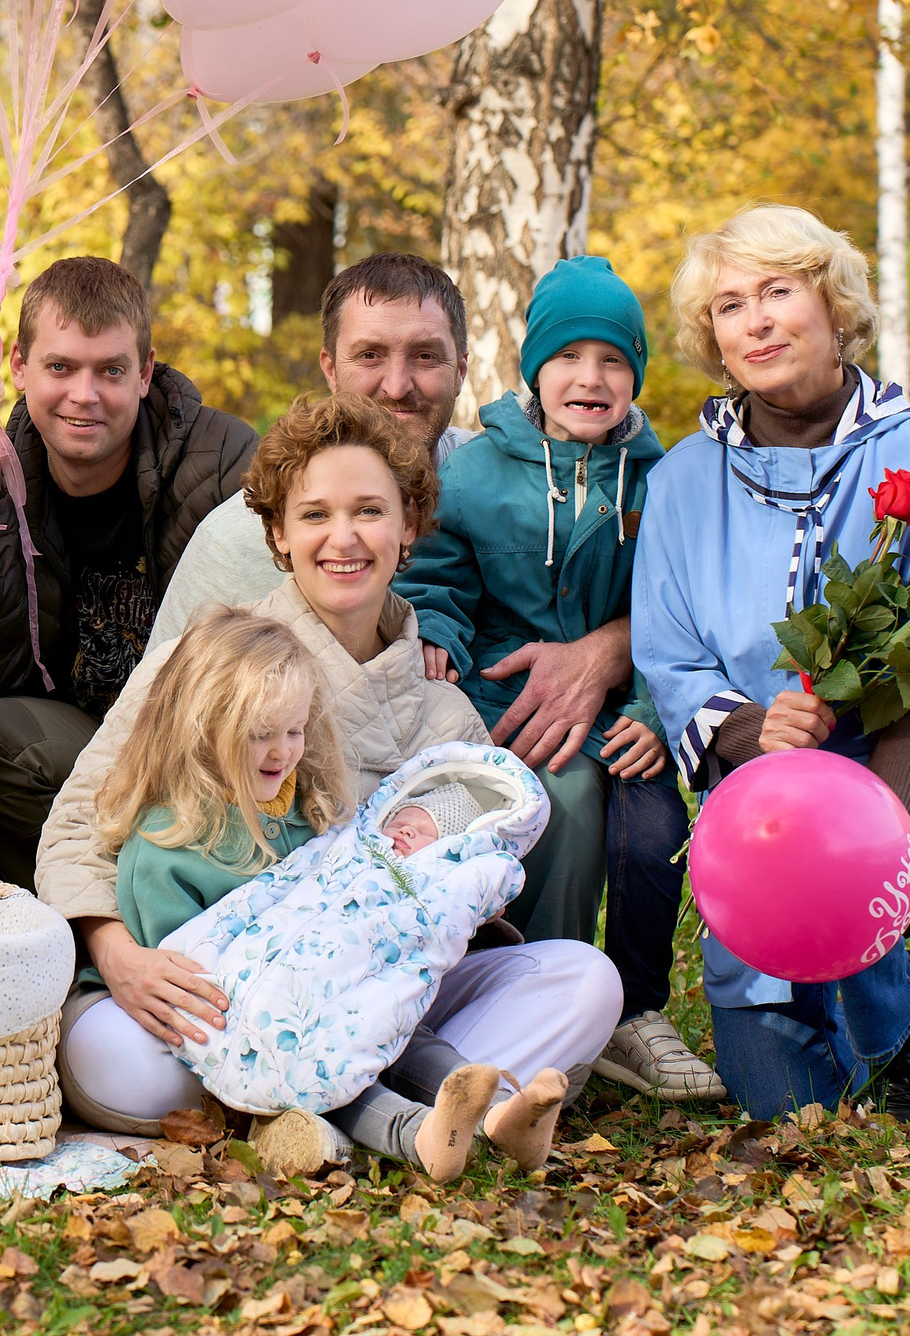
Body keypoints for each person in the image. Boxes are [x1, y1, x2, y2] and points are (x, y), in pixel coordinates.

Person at [36, 394, 618, 1137]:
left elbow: (460, 894)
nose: (343, 538)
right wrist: (118, 955)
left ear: (409, 525)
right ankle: (394, 1109)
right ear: (278, 533)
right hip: (203, 990)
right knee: (121, 1060)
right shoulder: (203, 659)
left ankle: (383, 1103)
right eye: (315, 514)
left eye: (370, 511)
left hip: (374, 994)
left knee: (584, 980)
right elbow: (78, 824)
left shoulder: (447, 717)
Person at [635, 204, 910, 1122]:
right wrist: (757, 732)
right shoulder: (681, 481)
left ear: (834, 306)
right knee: (782, 1102)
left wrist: (880, 823)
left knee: (875, 1049)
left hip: (900, 765)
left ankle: (901, 1009)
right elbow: (671, 658)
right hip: (755, 795)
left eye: (777, 292)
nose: (755, 321)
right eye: (730, 305)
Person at [89, 611, 576, 1179]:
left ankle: (500, 1115)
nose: (281, 752)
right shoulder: (165, 847)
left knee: (393, 1031)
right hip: (243, 1030)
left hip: (327, 996)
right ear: (203, 732)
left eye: (293, 731)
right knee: (330, 1068)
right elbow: (187, 973)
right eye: (260, 735)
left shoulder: (307, 810)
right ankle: (418, 1135)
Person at [394, 257, 720, 1101]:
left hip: (618, 704)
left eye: (613, 359)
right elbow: (439, 574)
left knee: (638, 823)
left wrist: (650, 706)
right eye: (568, 356)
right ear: (534, 369)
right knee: (544, 799)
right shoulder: (476, 472)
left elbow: (675, 607)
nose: (590, 377)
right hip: (501, 693)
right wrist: (438, 631)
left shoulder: (657, 480)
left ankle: (609, 1011)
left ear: (637, 374)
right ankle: (524, 999)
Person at [154, 253, 639, 785]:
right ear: (330, 367)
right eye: (370, 355)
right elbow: (161, 727)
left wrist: (609, 648)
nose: (397, 385)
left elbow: (654, 583)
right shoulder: (237, 540)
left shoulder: (506, 480)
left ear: (461, 369)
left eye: (426, 356)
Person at [0, 257, 259, 887]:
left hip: (201, 743)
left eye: (111, 370)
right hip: (81, 745)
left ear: (144, 373)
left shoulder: (226, 460)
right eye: (60, 367)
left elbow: (265, 643)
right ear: (19, 366)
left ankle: (165, 882)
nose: (84, 395)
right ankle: (60, 906)